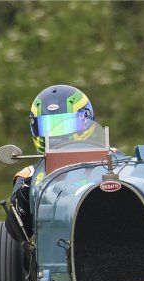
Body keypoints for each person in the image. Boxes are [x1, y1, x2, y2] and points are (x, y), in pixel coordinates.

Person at [7, 84, 95, 240]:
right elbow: (16, 234)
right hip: (55, 242)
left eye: (66, 125)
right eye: (47, 126)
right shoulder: (29, 175)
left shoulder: (113, 161)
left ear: (86, 121)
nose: (56, 134)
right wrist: (24, 195)